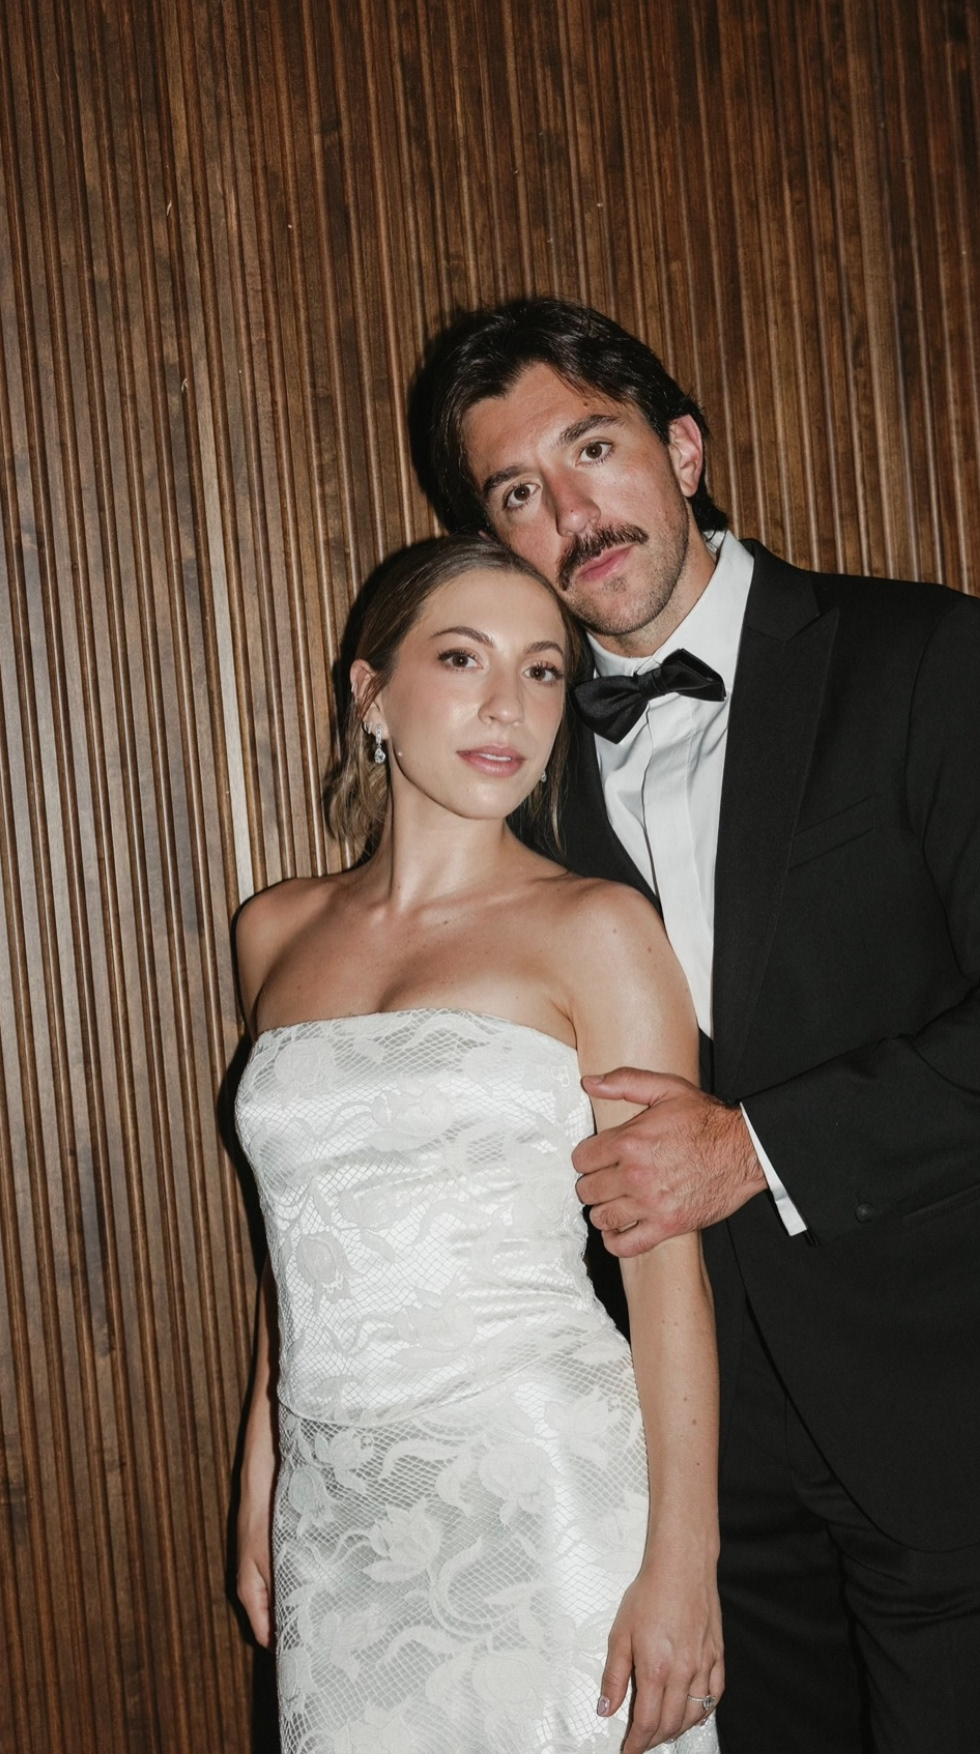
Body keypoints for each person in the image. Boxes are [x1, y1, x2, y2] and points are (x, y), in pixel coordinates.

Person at [410, 298, 980, 1754]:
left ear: (682, 450)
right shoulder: (525, 752)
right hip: (688, 1463)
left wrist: (755, 1146)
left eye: (593, 448)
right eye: (518, 493)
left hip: (947, 1406)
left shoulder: (914, 651)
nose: (573, 514)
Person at [231, 535, 722, 1753]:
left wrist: (683, 1562)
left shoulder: (598, 929)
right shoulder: (274, 931)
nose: (510, 704)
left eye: (544, 669)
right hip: (334, 1503)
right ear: (371, 693)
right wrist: (263, 1470)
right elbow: (296, 1240)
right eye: (463, 658)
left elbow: (667, 1273)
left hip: (543, 1484)